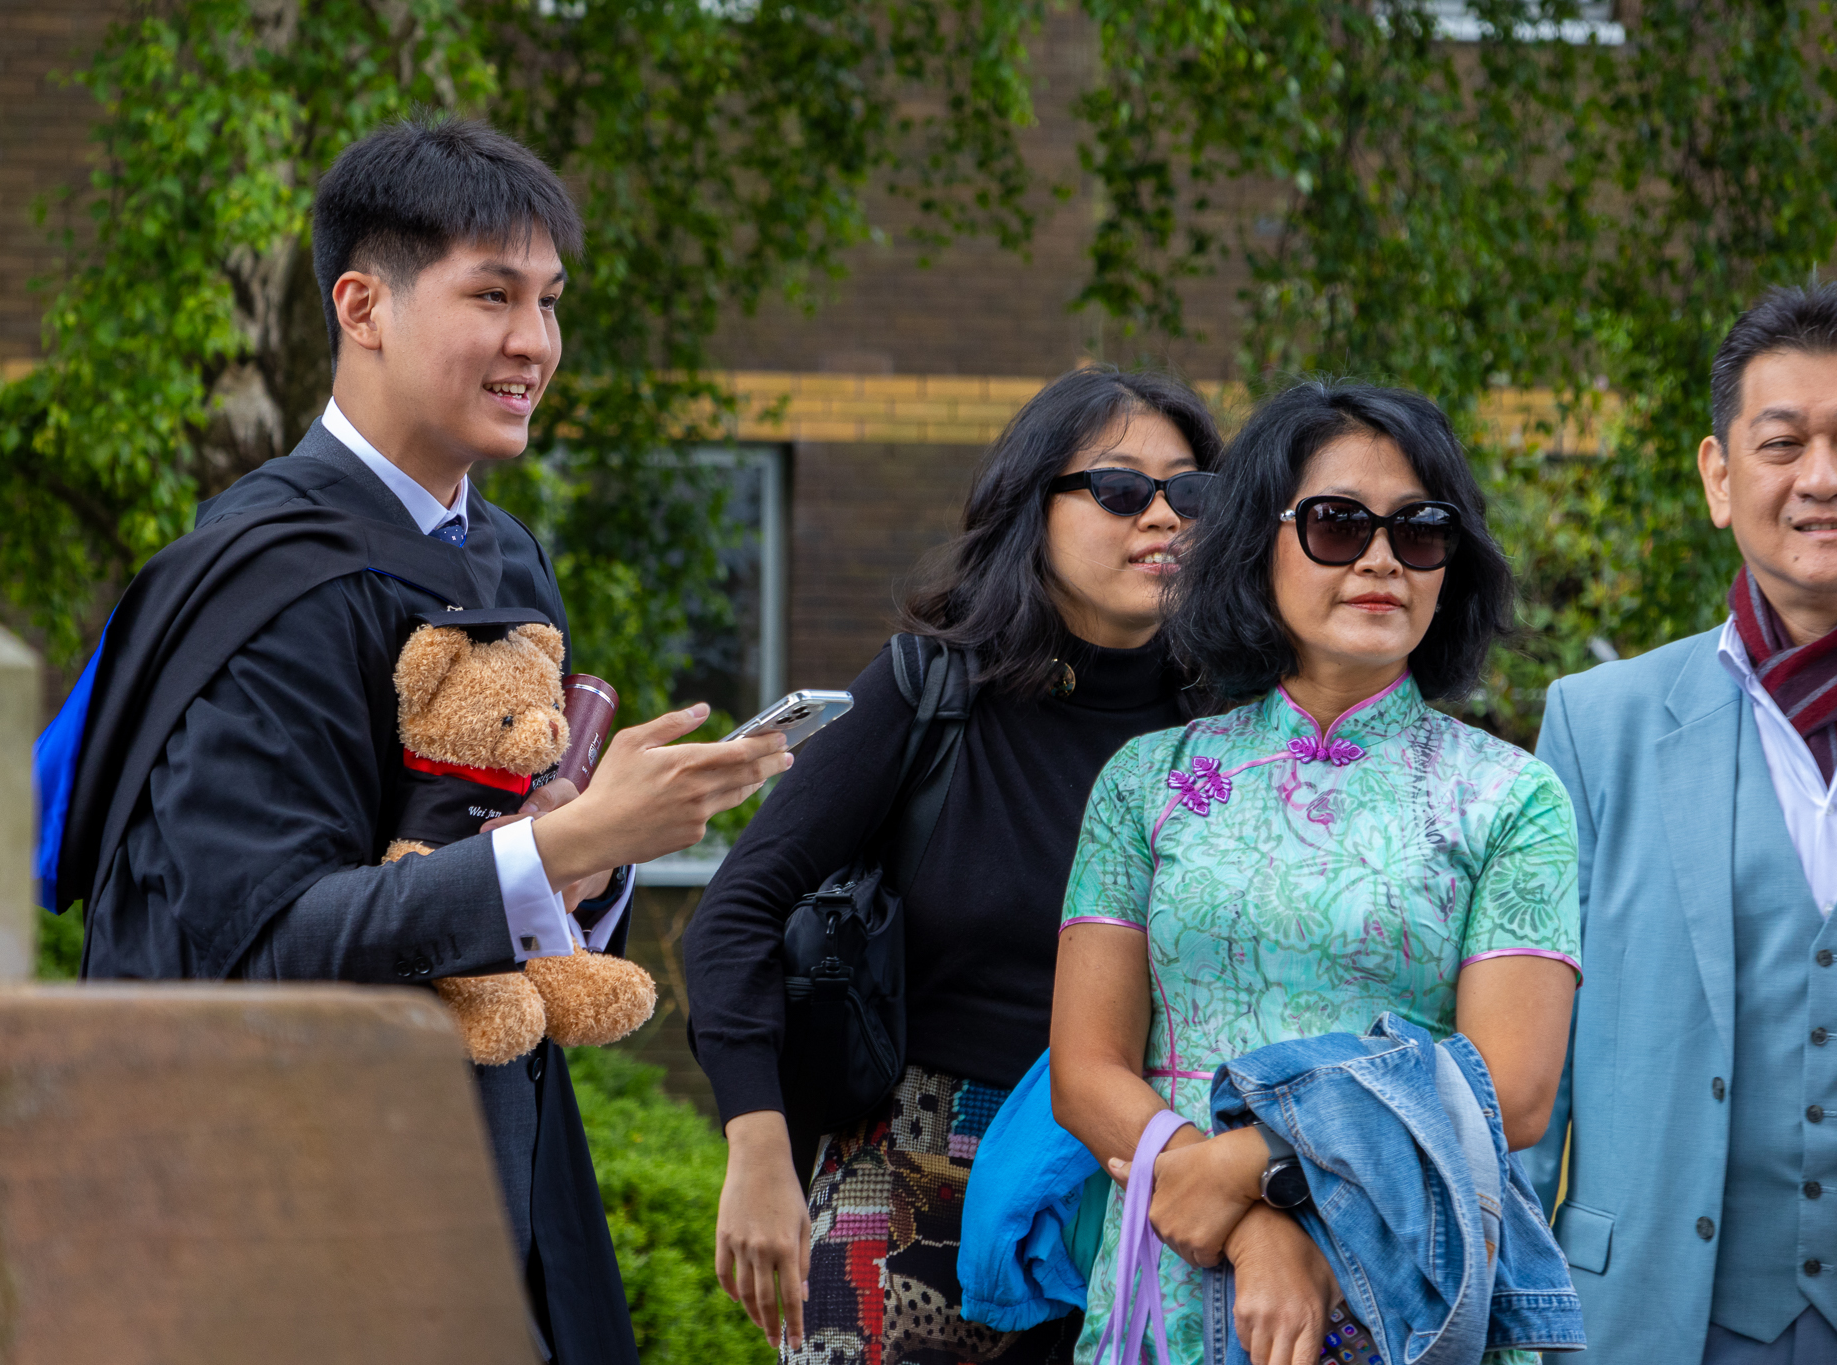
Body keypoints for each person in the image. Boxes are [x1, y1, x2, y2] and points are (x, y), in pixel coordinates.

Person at [44, 117, 791, 1363]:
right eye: (491, 295)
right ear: (361, 305)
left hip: (484, 1176)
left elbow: (479, 870)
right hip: (293, 1207)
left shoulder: (499, 555)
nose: (534, 345)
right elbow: (261, 942)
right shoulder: (261, 579)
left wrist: (588, 863)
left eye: (549, 303)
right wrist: (559, 849)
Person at [685, 367, 1223, 1361]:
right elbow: (736, 911)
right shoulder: (927, 689)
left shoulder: (1226, 728)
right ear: (1032, 510)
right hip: (915, 1179)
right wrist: (755, 1144)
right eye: (1118, 489)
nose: (1160, 516)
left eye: (1187, 491)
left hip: (1135, 1186)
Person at [1050, 380, 1580, 1365]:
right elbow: (1086, 1074)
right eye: (1337, 524)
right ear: (1256, 543)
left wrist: (1259, 1165)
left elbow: (1509, 1090)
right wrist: (1250, 1228)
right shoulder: (1146, 784)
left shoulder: (1510, 798)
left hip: (1406, 1285)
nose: (1380, 558)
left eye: (1419, 530)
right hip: (1176, 1271)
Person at [1518, 282, 1837, 1365]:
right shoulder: (1593, 726)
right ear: (1718, 476)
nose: (1820, 480)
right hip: (1652, 1319)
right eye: (1782, 442)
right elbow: (1532, 1071)